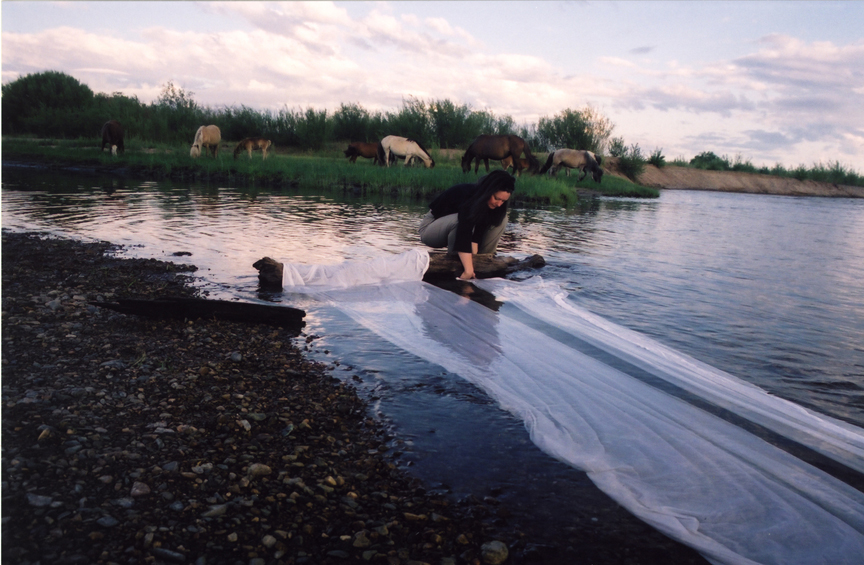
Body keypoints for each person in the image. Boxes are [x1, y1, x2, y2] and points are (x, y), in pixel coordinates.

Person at [418, 169, 516, 280]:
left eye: (503, 201)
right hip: (431, 228)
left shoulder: (492, 205)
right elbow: (464, 232)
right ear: (488, 191)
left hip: (457, 228)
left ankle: (485, 260)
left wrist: (475, 261)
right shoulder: (467, 195)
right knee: (458, 221)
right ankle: (456, 266)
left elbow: (476, 236)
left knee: (502, 219)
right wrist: (468, 270)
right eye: (497, 199)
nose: (499, 204)